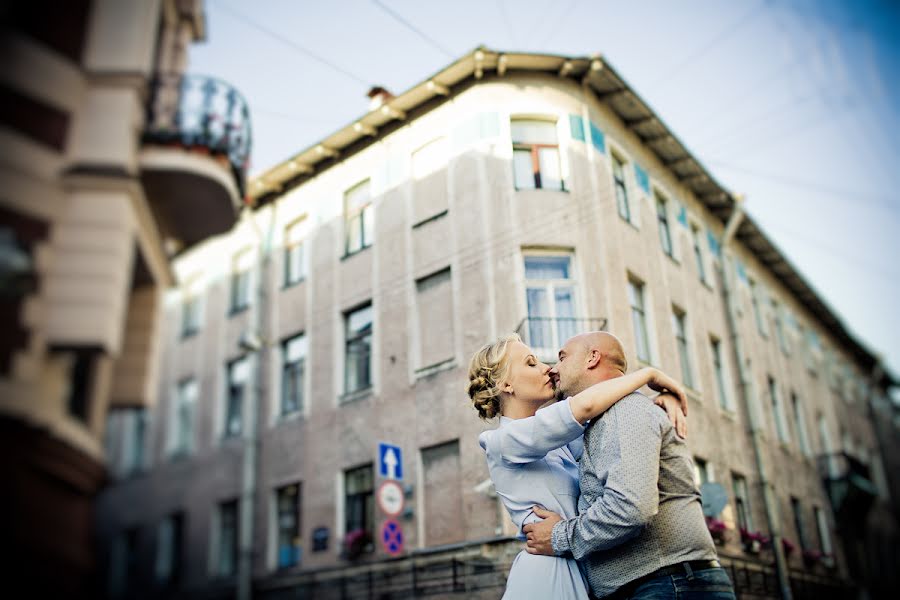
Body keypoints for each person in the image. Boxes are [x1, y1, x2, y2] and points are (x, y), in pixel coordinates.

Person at [467, 333, 688, 600]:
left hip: (578, 569)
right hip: (546, 575)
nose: (547, 368)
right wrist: (650, 376)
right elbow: (586, 406)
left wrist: (659, 402)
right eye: (530, 363)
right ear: (506, 384)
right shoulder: (501, 442)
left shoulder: (559, 442)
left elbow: (614, 426)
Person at [523, 332, 737, 600]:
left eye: (563, 357)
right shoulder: (609, 418)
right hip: (662, 585)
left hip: (667, 585)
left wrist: (559, 537)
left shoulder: (625, 410)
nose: (554, 368)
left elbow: (631, 506)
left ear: (592, 358)